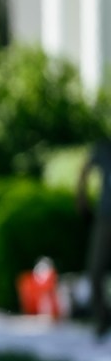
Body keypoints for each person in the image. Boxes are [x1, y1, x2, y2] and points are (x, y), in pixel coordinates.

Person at [77, 138, 111, 337]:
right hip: (105, 218)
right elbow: (85, 168)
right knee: (95, 270)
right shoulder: (104, 148)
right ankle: (102, 319)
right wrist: (81, 195)